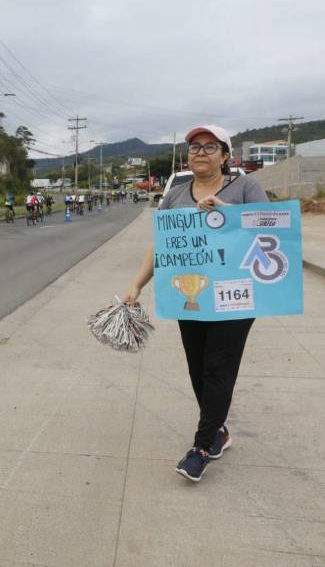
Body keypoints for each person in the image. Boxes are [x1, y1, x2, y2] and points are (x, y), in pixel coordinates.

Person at [123, 125, 268, 483]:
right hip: (192, 297)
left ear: (225, 155)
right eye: (194, 147)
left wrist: (225, 212)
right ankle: (218, 431)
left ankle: (201, 448)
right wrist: (136, 285)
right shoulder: (175, 195)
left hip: (235, 297)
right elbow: (161, 244)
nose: (200, 152)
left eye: (209, 146)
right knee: (198, 368)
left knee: (218, 369)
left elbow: (270, 228)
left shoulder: (245, 187)